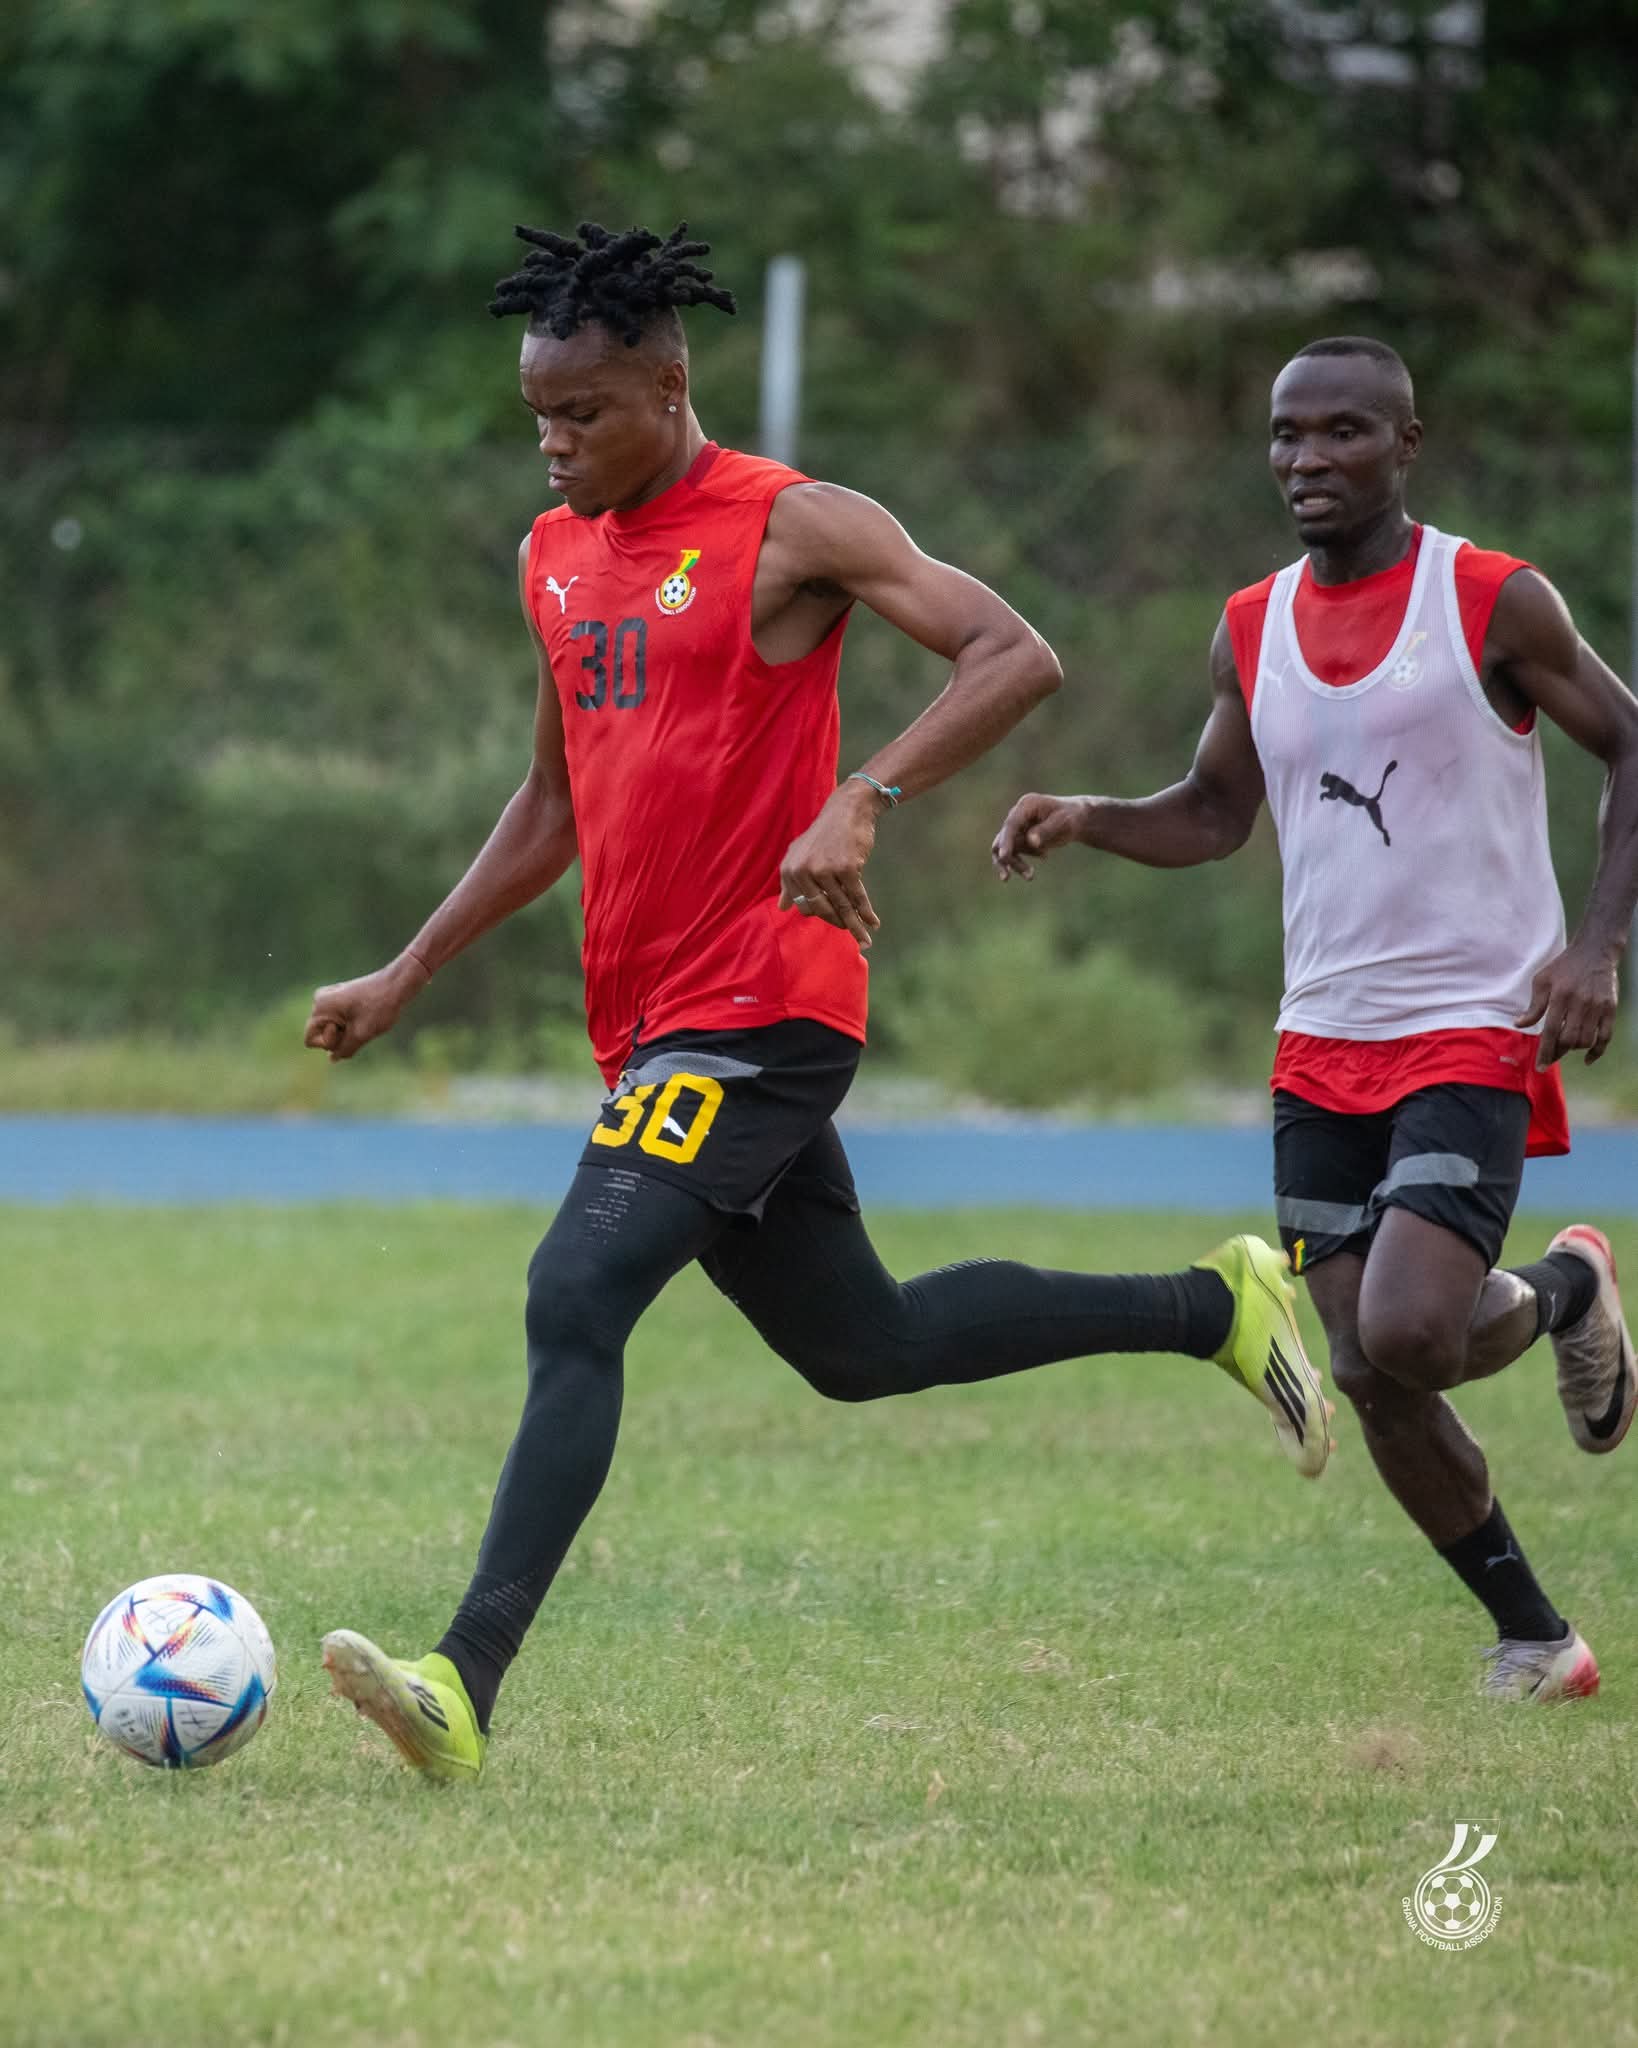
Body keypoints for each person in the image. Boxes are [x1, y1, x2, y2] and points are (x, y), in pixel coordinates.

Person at [303, 222, 1331, 1780]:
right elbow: (550, 804)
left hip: (763, 1003)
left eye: (582, 412)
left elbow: (1013, 653)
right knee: (864, 1344)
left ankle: (460, 1686)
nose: (553, 441)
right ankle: (1217, 1307)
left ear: (669, 388)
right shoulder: (552, 557)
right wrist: (408, 969)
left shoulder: (789, 525)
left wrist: (865, 793)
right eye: (537, 414)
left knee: (575, 1294)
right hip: (652, 1022)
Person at [993, 335, 1638, 1704]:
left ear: (1406, 444)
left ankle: (1564, 1294)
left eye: (1342, 432)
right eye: (1287, 435)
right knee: (1365, 1366)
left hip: (1474, 1017)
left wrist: (1595, 944)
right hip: (1320, 1038)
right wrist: (1090, 816)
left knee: (1407, 1333)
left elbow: (1631, 743)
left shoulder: (1490, 600)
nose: (1307, 459)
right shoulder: (1252, 624)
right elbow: (1215, 812)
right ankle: (1538, 1636)